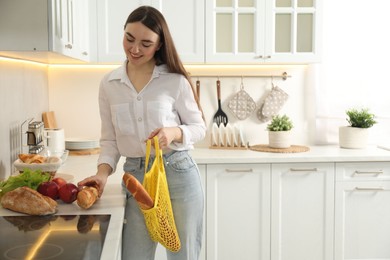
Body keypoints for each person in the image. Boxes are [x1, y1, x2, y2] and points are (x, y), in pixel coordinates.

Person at [77, 5, 206, 260]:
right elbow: (110, 140)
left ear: (159, 44)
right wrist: (102, 175)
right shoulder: (109, 84)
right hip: (136, 178)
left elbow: (199, 127)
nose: (135, 49)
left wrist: (173, 132)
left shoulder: (175, 81)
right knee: (134, 255)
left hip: (178, 174)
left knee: (183, 254)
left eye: (146, 44)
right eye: (129, 39)